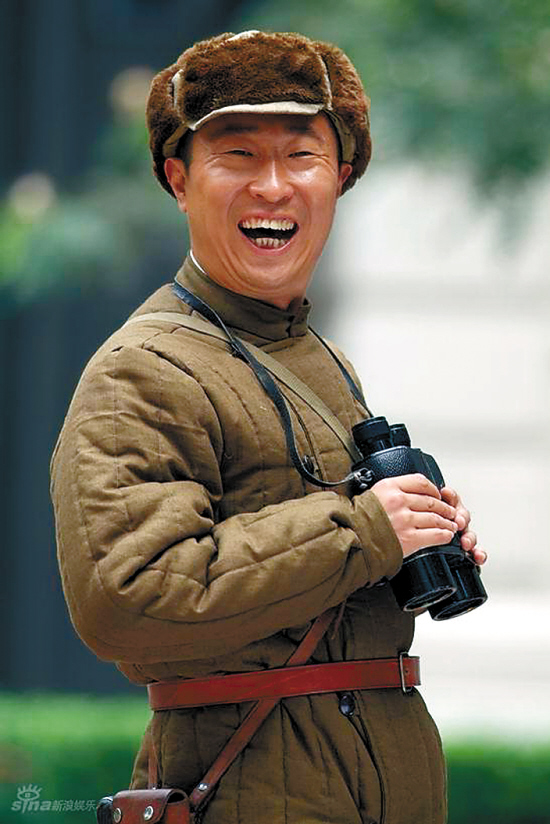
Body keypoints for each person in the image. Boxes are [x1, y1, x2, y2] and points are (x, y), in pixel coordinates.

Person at [51, 30, 486, 824]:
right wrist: (364, 530)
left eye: (301, 156)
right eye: (238, 156)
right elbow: (128, 598)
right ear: (179, 180)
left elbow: (316, 587)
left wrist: (419, 539)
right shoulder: (142, 371)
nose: (273, 186)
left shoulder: (321, 358)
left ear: (341, 177)